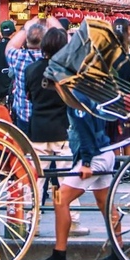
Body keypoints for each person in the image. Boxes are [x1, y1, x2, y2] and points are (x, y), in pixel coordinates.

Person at [33, 93, 118, 260]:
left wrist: (86, 162)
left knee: (60, 199)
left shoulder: (76, 99)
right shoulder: (91, 94)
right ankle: (118, 251)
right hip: (106, 151)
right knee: (104, 203)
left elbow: (84, 130)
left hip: (93, 156)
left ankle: (59, 254)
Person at [25, 27, 89, 239]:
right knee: (66, 180)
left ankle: (29, 223)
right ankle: (73, 222)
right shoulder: (69, 72)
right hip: (63, 130)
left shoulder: (32, 69)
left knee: (35, 180)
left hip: (37, 130)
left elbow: (28, 96)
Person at [6, 17, 53, 134]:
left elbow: (10, 46)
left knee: (25, 150)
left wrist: (25, 28)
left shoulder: (18, 57)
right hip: (47, 117)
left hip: (24, 116)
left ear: (27, 40)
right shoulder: (55, 60)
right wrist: (53, 23)